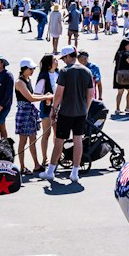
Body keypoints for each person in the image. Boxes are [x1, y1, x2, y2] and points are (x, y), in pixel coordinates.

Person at [45, 48, 97, 185]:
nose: (63, 61)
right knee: (78, 139)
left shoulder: (65, 71)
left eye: (64, 58)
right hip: (80, 112)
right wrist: (85, 109)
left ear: (68, 56)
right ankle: (75, 172)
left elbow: (59, 93)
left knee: (59, 140)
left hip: (66, 112)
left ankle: (51, 171)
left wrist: (53, 109)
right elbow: (90, 94)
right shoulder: (87, 71)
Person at [13, 60, 44, 170]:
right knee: (23, 141)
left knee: (33, 139)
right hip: (24, 112)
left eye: (33, 69)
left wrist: (45, 95)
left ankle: (36, 164)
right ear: (23, 69)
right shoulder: (19, 82)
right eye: (30, 69)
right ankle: (22, 167)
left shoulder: (27, 80)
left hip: (29, 112)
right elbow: (30, 97)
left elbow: (33, 95)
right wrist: (47, 97)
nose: (32, 71)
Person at [111, 38, 129, 116]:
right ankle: (127, 107)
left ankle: (117, 109)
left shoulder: (118, 53)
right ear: (125, 46)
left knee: (120, 92)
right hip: (126, 75)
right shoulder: (126, 54)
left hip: (118, 74)